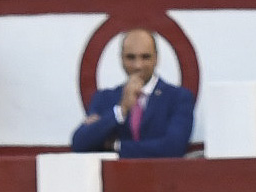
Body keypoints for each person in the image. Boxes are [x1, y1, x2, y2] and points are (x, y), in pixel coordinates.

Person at [71, 29, 195, 159]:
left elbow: (173, 148)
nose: (138, 65)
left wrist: (115, 146)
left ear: (156, 58)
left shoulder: (179, 98)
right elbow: (80, 144)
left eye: (145, 57)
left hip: (162, 177)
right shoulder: (104, 99)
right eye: (131, 57)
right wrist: (121, 109)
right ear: (121, 59)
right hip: (116, 178)